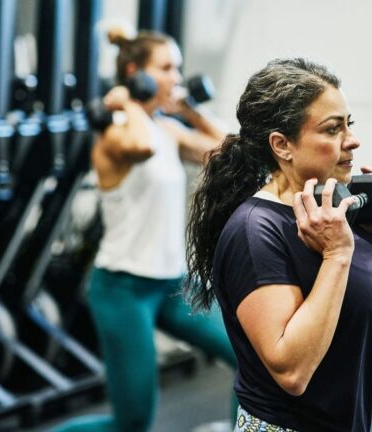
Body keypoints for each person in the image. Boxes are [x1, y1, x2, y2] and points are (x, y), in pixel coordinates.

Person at [184, 57, 372, 432]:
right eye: (332, 129)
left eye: (349, 125)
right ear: (282, 144)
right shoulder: (255, 231)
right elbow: (292, 372)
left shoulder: (335, 213)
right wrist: (338, 255)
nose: (352, 140)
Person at [51, 28, 236, 432]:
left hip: (173, 284)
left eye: (178, 68)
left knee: (253, 359)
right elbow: (141, 147)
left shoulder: (165, 128)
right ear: (137, 73)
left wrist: (187, 107)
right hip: (123, 289)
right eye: (167, 68)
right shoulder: (115, 131)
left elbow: (230, 150)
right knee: (131, 423)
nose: (176, 76)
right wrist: (129, 99)